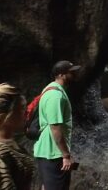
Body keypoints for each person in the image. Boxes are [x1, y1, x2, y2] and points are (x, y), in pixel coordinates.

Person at [34, 60, 81, 190]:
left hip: (50, 151)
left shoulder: (52, 88)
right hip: (53, 153)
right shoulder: (55, 96)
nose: (75, 75)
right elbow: (55, 128)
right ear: (61, 75)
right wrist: (65, 155)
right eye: (71, 73)